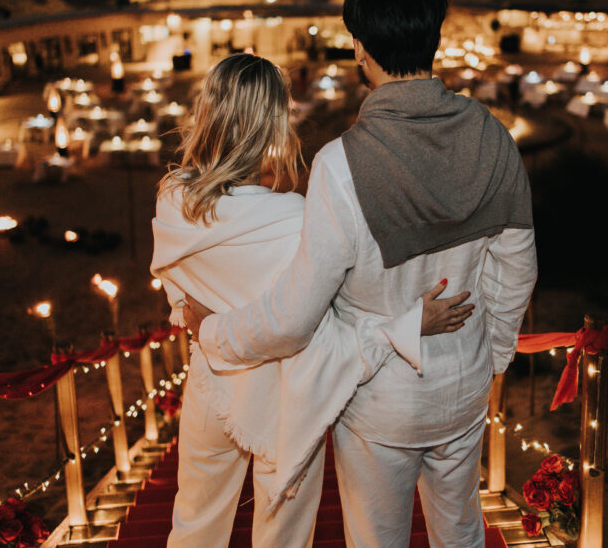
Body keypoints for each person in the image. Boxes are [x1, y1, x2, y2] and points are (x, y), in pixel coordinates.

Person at [185, 0, 537, 547]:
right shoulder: (493, 137)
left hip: (379, 403)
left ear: (360, 49)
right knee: (464, 535)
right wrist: (491, 358)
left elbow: (296, 316)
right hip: (464, 388)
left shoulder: (341, 165)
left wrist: (217, 333)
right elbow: (517, 267)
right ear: (434, 41)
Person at [150, 53, 471, 548]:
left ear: (208, 110)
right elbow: (327, 325)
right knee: (283, 534)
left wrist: (206, 324)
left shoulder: (174, 199)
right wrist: (410, 323)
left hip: (212, 385)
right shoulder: (296, 216)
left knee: (194, 521)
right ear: (276, 122)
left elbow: (181, 298)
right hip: (288, 397)